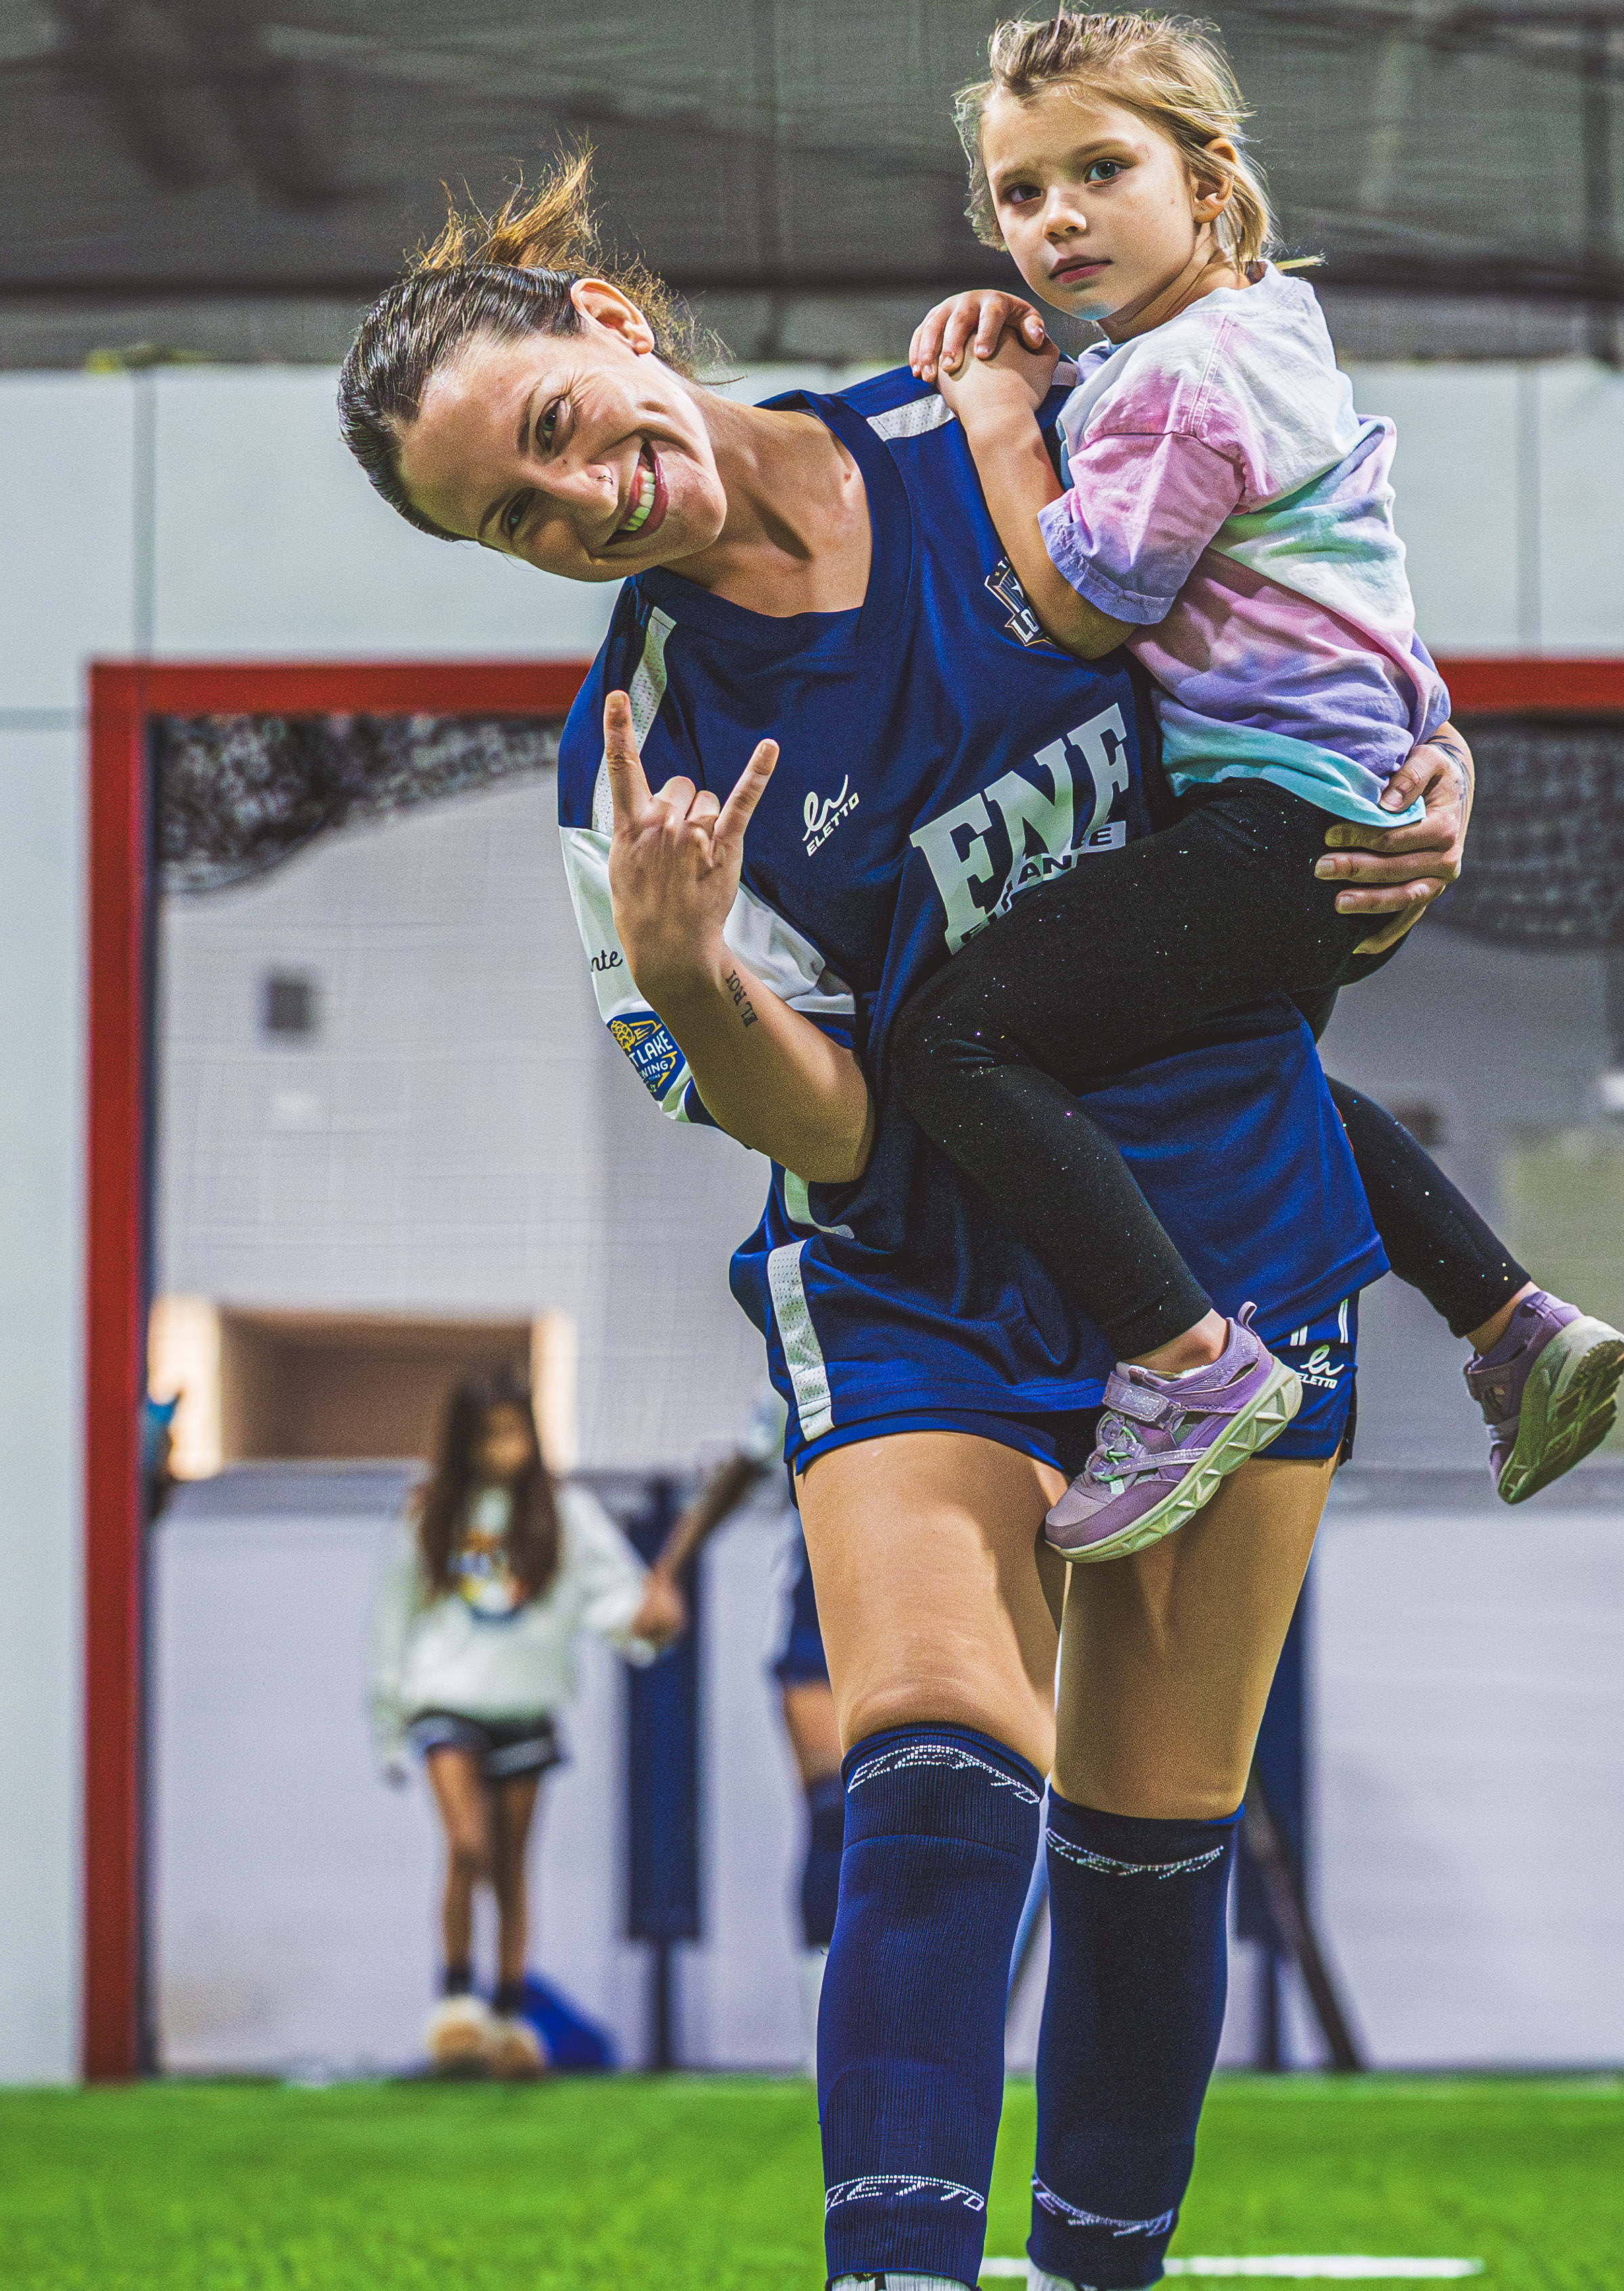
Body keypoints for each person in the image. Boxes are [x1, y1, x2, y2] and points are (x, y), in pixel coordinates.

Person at [336, 149, 1464, 2291]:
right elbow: (841, 1135)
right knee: (933, 1760)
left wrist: (1427, 777)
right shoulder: (637, 764)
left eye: (556, 428)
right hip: (918, 1272)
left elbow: (1310, 623)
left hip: (1220, 1208)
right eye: (515, 518)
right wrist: (693, 981)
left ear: (608, 323)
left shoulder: (1003, 421)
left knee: (1151, 1834)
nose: (578, 501)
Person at [889, 5, 1624, 1557]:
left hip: (1278, 820)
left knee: (954, 1037)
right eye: (1021, 193)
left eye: (1101, 169)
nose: (1058, 216)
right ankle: (1510, 1319)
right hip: (1338, 803)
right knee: (1242, 1070)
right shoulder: (1266, 326)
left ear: (1209, 181)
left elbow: (1087, 602)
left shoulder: (1178, 381)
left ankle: (1186, 1362)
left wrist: (997, 415)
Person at [369, 1369, 682, 2077]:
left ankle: (509, 2016)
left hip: (527, 1707)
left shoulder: (566, 1515)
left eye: (512, 1431)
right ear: (462, 1440)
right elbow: (392, 1621)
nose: (500, 1448)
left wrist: (648, 1623)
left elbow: (615, 1598)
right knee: (467, 1846)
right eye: (486, 1434)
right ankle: (456, 2002)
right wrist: (389, 1724)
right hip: (444, 1702)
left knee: (512, 1867)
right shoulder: (431, 1513)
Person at [638, 1383, 843, 2034]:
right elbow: (743, 1465)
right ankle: (825, 2027)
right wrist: (668, 1568)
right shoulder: (809, 1355)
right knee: (836, 1814)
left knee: (919, 1819)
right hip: (816, 1627)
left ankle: (913, 2020)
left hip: (921, 1621)